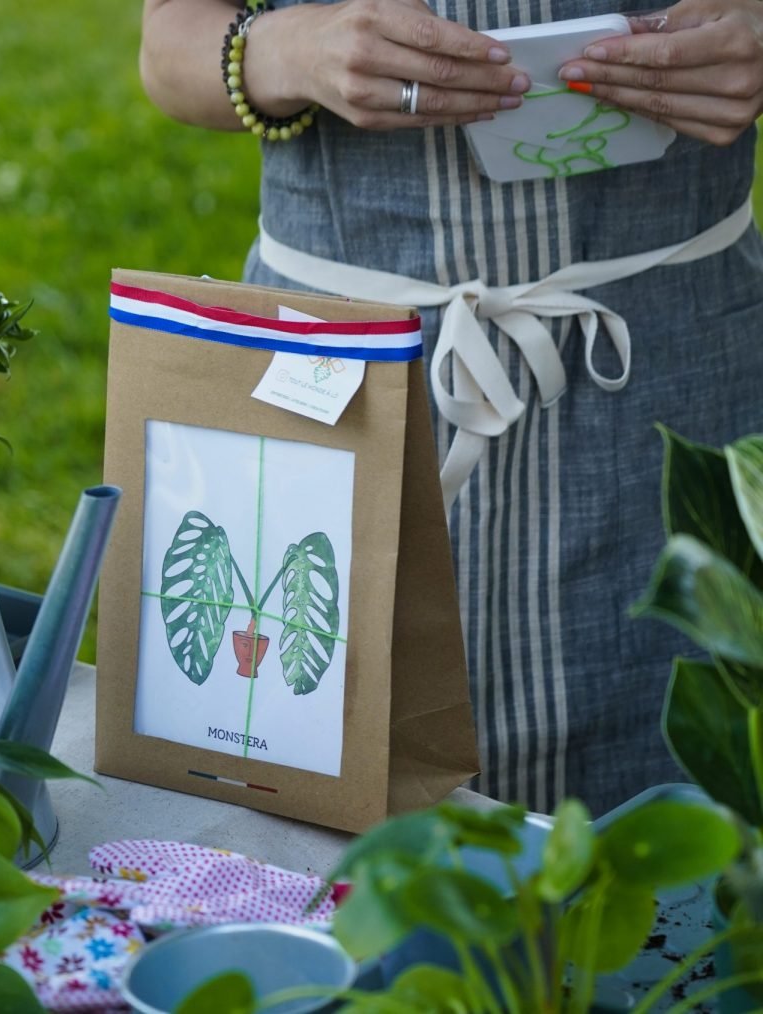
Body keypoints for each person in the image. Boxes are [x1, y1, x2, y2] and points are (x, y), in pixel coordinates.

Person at [138, 0, 763, 817]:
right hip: (348, 385)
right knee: (344, 821)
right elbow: (170, 44)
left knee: (692, 855)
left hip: (679, 377)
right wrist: (287, 50)